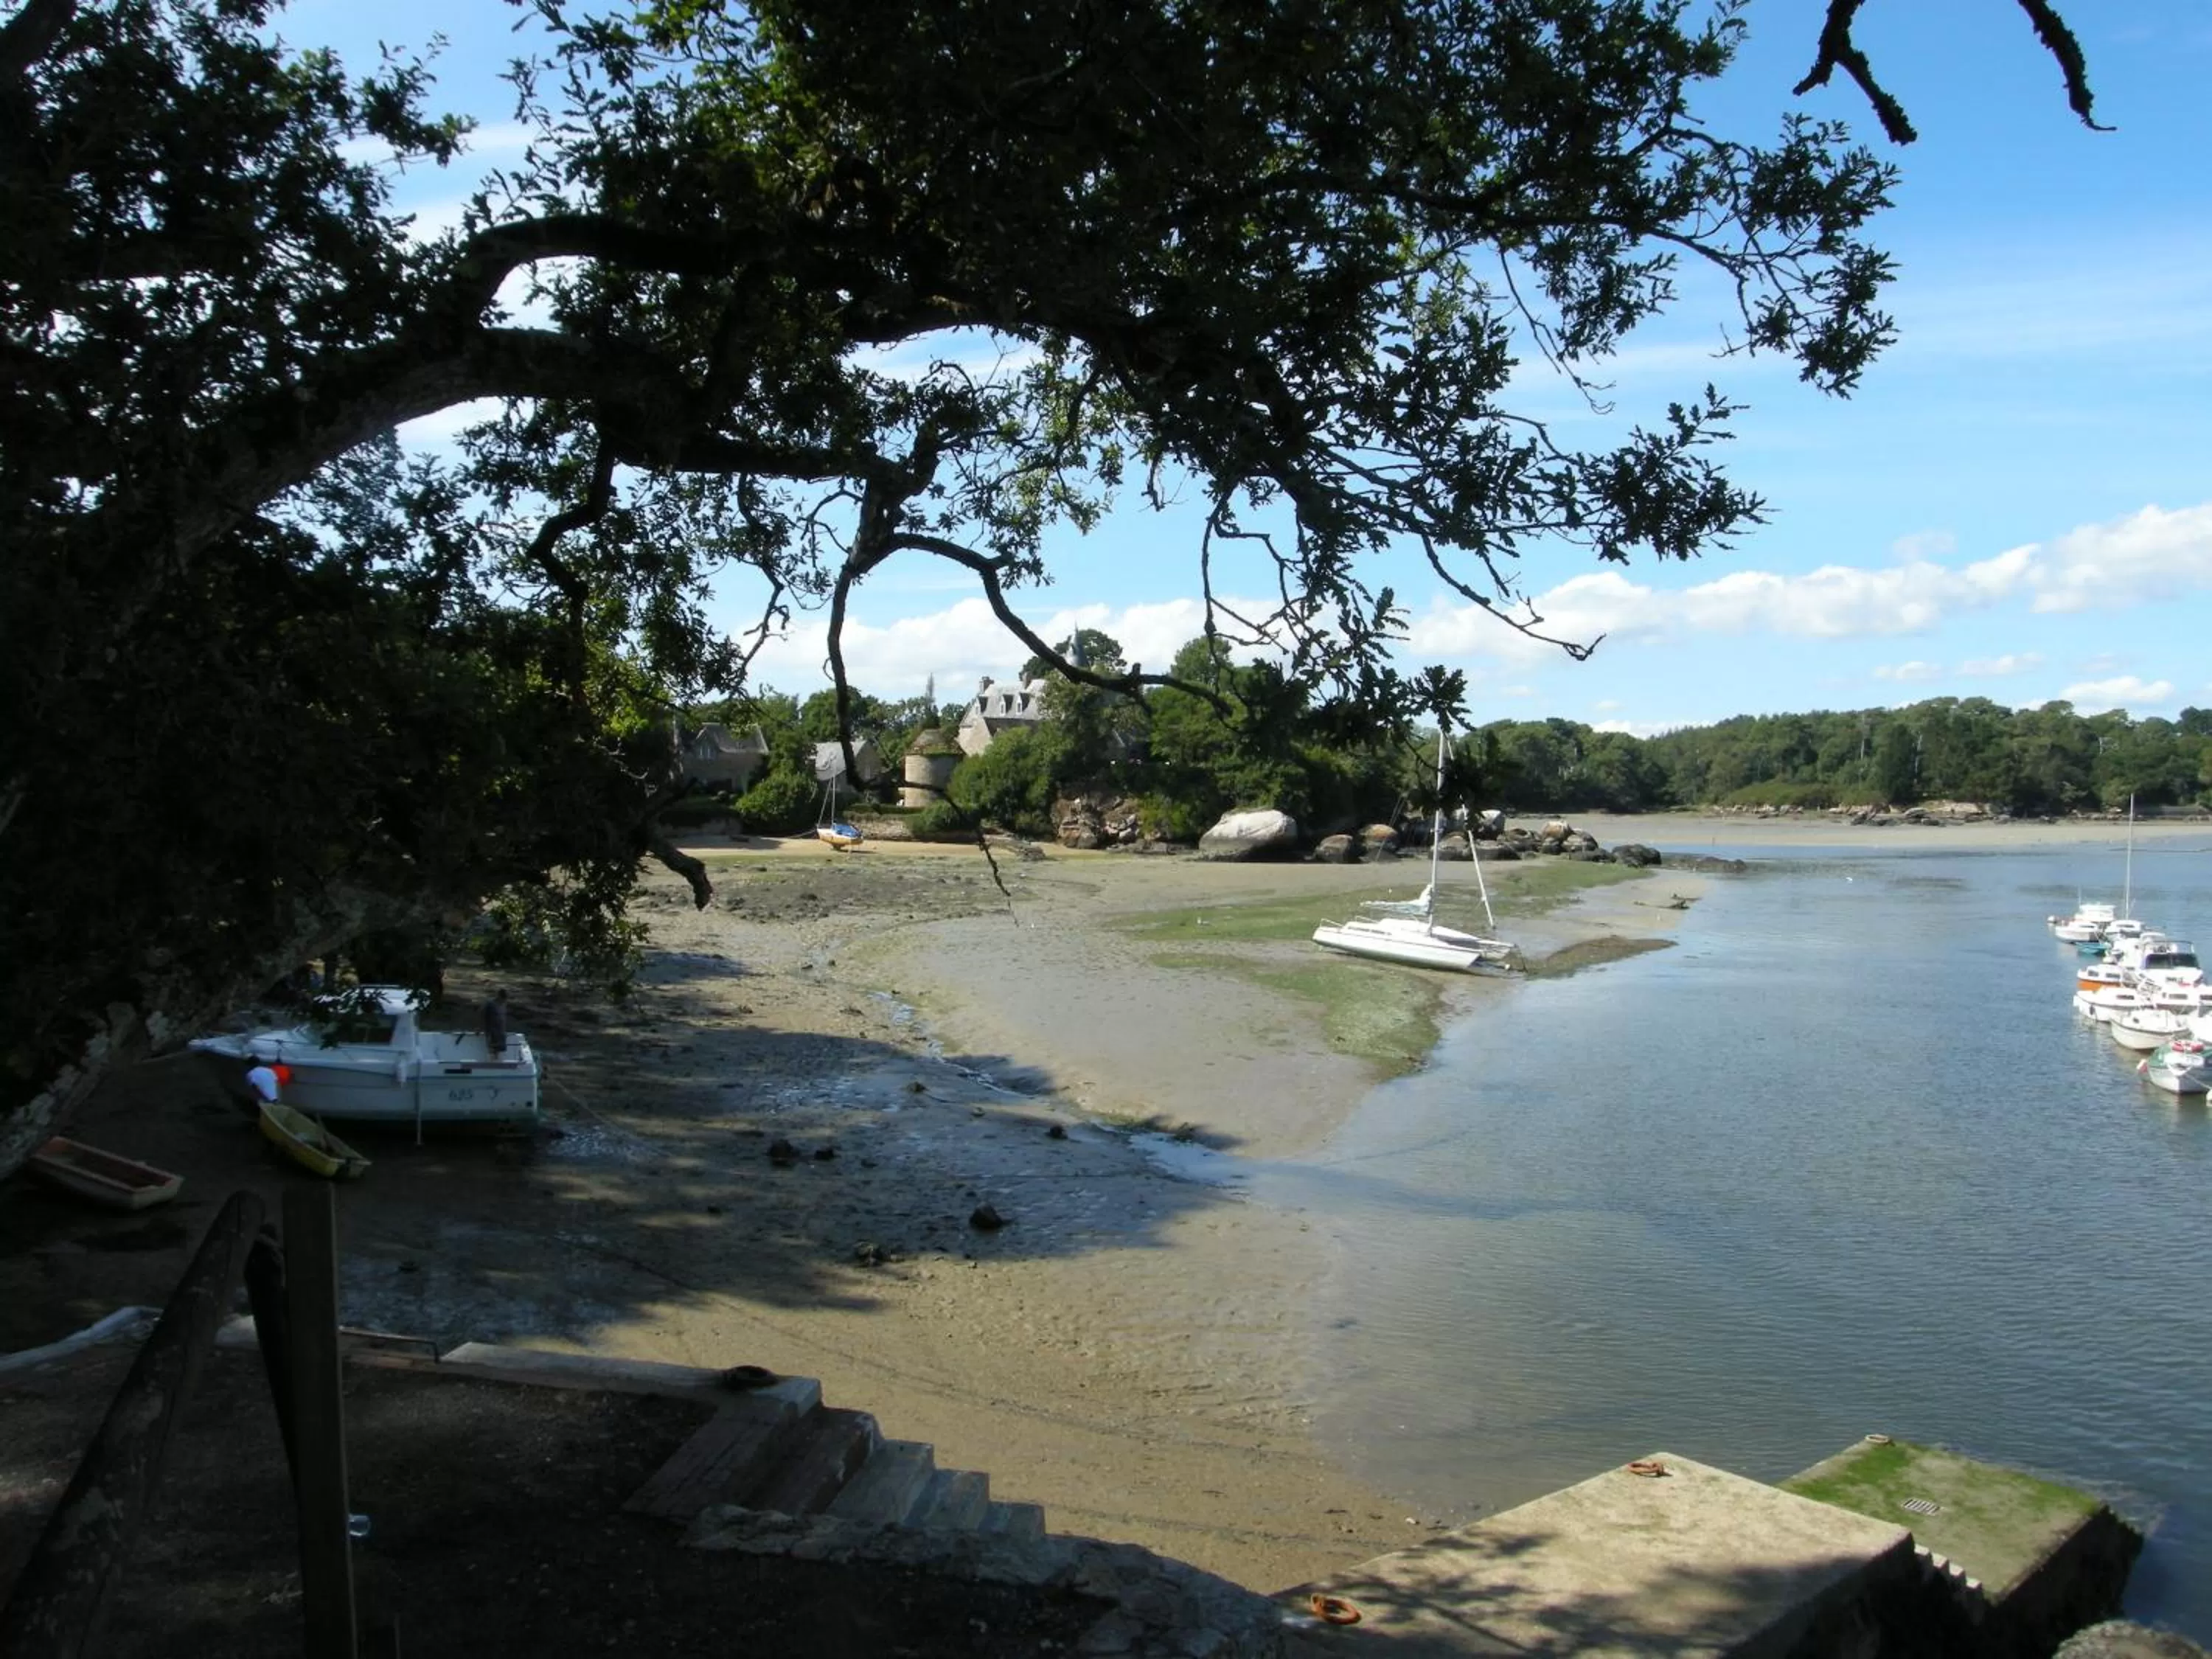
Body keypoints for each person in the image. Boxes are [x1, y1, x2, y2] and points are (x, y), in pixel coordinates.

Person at [481, 989, 510, 1057]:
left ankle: (496, 1061)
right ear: (499, 996)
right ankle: (490, 1064)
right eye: (503, 998)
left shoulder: (503, 1005)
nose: (504, 1000)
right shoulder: (490, 1004)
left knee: (499, 1051)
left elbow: (503, 1018)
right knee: (492, 1050)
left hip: (501, 1032)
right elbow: (482, 1015)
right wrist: (479, 1028)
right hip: (492, 1032)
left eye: (505, 998)